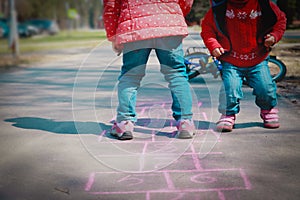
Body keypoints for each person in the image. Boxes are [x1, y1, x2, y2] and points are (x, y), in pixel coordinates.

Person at [103, 0, 195, 140]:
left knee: (131, 76)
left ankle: (124, 123)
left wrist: (113, 35)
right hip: (168, 22)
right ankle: (185, 122)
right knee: (176, 74)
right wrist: (175, 12)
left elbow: (111, 6)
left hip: (135, 25)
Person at [201, 0, 286, 132]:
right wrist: (214, 45)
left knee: (265, 87)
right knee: (230, 88)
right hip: (231, 60)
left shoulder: (263, 4)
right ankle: (228, 114)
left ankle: (268, 110)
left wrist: (274, 36)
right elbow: (207, 29)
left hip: (257, 59)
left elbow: (280, 20)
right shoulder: (220, 8)